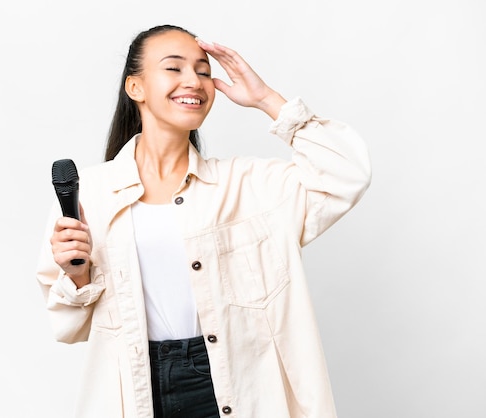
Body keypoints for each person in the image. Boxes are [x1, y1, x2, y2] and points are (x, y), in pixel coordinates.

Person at [36, 24, 371, 418]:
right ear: (136, 88)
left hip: (233, 383)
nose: (193, 81)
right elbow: (68, 326)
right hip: (137, 387)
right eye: (174, 69)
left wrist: (267, 99)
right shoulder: (88, 192)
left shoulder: (249, 186)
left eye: (203, 70)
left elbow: (347, 174)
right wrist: (76, 276)